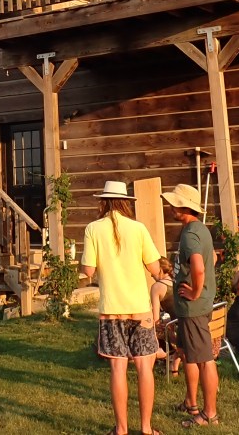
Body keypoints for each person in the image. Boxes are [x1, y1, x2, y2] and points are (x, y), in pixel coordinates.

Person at [80, 180, 162, 435]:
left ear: (103, 202)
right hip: (140, 309)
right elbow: (155, 268)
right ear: (126, 203)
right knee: (144, 368)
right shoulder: (138, 228)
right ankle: (146, 428)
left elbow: (88, 270)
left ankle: (121, 429)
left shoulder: (93, 229)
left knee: (118, 369)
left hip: (111, 310)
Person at [163, 183, 218, 428]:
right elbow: (211, 257)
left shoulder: (190, 235)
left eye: (173, 203)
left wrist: (195, 291)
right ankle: (191, 402)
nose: (169, 207)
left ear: (183, 207)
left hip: (194, 308)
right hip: (191, 308)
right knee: (189, 355)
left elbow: (198, 266)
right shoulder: (199, 229)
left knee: (204, 359)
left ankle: (209, 414)